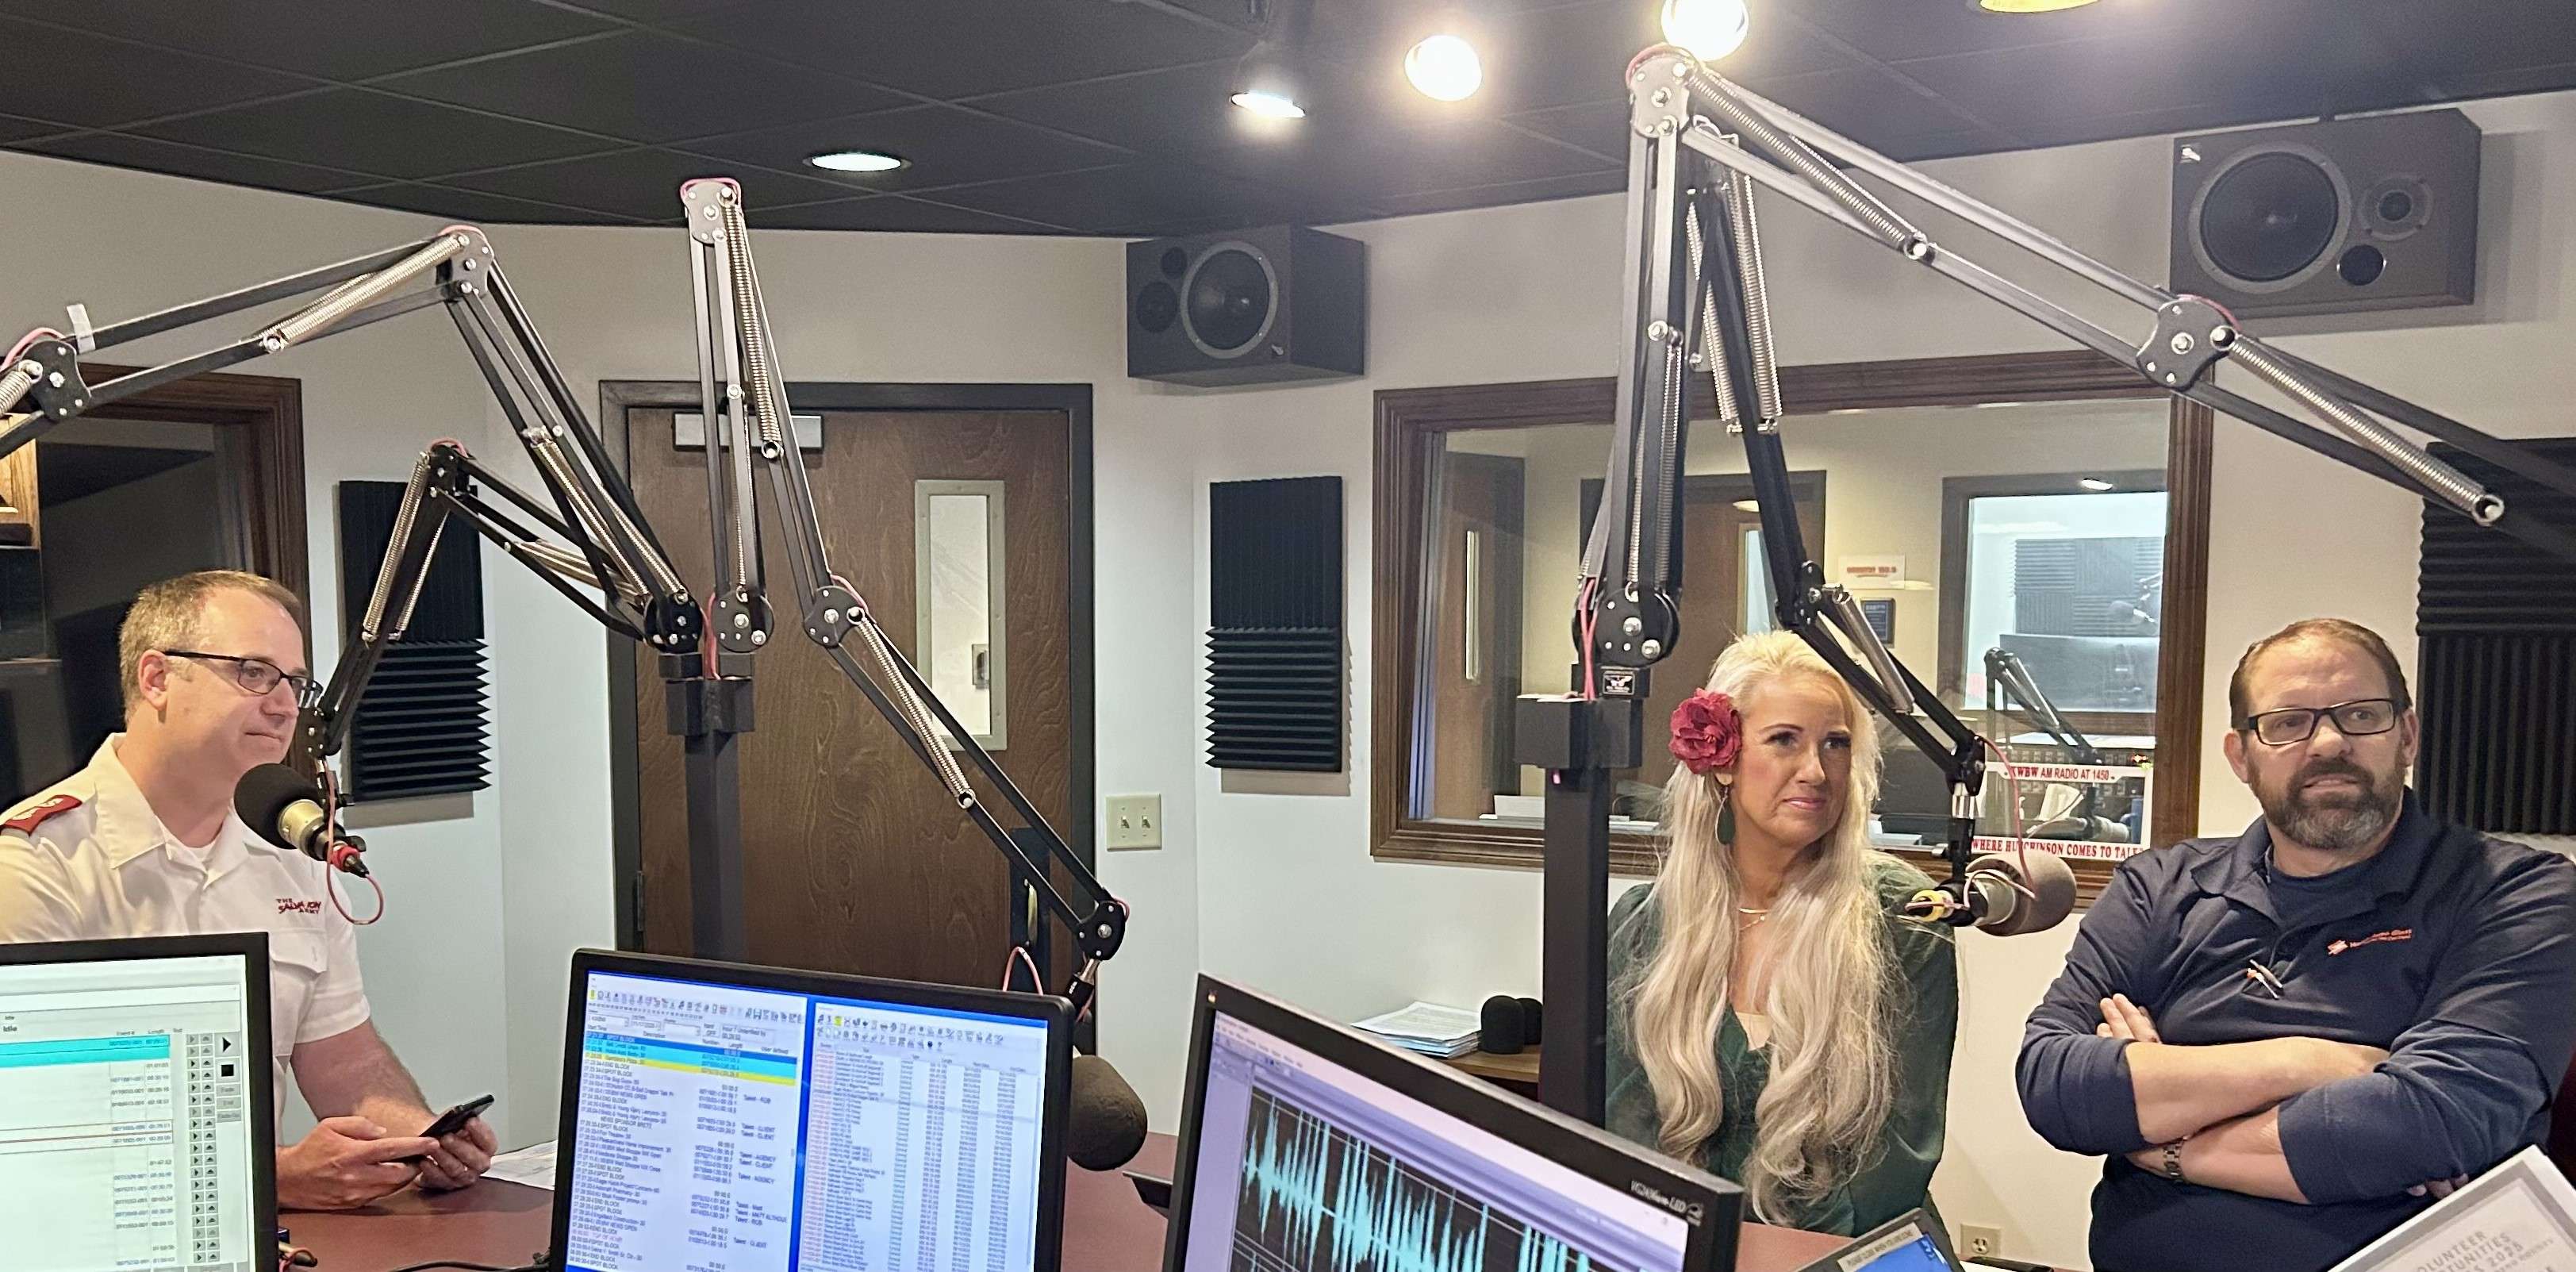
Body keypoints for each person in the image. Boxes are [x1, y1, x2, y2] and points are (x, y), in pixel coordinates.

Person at [2018, 617, 2576, 1272]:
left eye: (2361, 714)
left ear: (2407, 735)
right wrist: (2304, 1062)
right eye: (2288, 723)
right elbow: (2056, 1085)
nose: (2329, 742)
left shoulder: (2516, 891)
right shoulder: (2159, 887)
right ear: (2240, 755)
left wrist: (2167, 1144)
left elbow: (2425, 1124)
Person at [0, 571, 495, 1210]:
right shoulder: (39, 863)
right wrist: (277, 1174)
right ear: (157, 679)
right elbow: (36, 1132)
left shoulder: (294, 851)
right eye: (254, 672)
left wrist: (415, 1139)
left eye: (295, 682)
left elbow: (345, 1058)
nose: (286, 704)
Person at [1606, 631, 1957, 1235]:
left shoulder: (1904, 916)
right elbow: (1624, 1131)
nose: (1816, 770)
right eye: (1784, 740)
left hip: (1848, 1252)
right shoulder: (1644, 925)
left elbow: (1896, 1160)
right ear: (1721, 760)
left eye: (1835, 744)